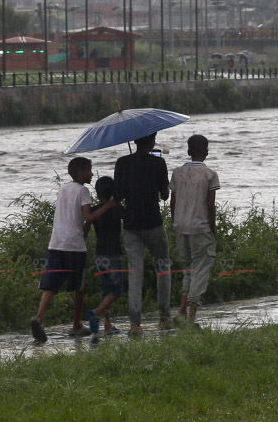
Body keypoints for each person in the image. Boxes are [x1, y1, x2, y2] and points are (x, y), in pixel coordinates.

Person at [30, 157, 116, 343]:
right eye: (89, 170)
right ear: (80, 172)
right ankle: (76, 325)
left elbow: (78, 216)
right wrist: (109, 205)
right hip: (74, 246)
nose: (92, 174)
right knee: (79, 286)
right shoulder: (83, 191)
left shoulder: (63, 188)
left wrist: (85, 230)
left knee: (51, 284)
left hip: (56, 242)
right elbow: (89, 216)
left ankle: (39, 317)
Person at [114, 132, 172, 334]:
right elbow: (164, 195)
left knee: (135, 273)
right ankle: (164, 318)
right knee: (163, 269)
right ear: (152, 141)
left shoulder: (122, 163)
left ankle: (134, 324)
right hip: (154, 223)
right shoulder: (158, 163)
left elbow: (118, 196)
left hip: (130, 225)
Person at [170, 134, 219, 325]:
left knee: (188, 269)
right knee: (200, 270)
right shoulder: (209, 175)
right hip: (200, 228)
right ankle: (191, 316)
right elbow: (210, 206)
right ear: (206, 152)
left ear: (188, 152)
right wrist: (213, 231)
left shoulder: (177, 173)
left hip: (181, 227)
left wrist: (176, 222)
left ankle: (181, 311)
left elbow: (173, 203)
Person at [85, 175, 123, 336]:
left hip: (99, 254)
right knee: (116, 291)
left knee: (106, 290)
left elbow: (85, 231)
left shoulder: (93, 211)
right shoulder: (117, 208)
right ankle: (96, 312)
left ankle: (108, 326)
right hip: (113, 253)